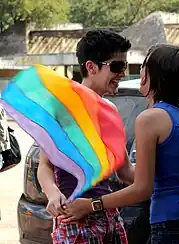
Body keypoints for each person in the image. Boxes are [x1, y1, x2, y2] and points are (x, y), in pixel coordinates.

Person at [61, 44, 179, 243]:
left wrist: (91, 205)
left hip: (174, 227)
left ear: (153, 75)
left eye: (145, 65)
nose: (139, 70)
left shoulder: (150, 118)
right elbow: (144, 175)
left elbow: (143, 188)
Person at [37, 30, 134, 244]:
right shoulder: (60, 109)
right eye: (117, 67)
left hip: (109, 219)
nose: (122, 75)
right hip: (75, 222)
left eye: (124, 67)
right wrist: (53, 194)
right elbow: (44, 166)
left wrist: (168, 175)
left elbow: (126, 171)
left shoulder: (111, 111)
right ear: (91, 67)